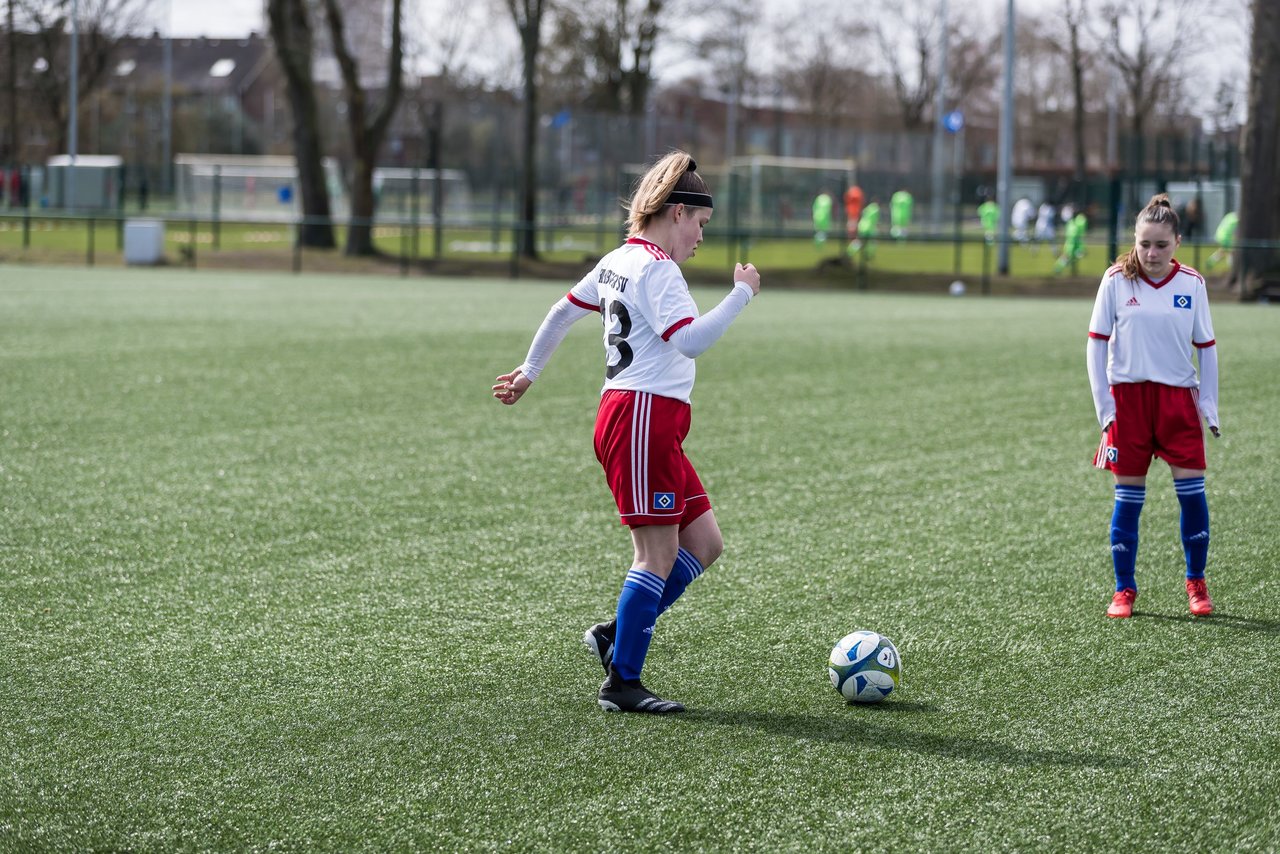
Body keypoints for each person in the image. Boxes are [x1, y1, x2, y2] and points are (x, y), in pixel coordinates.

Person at [492, 150, 762, 714]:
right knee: (656, 555)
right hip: (641, 419)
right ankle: (622, 683)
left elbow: (562, 311)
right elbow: (688, 340)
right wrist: (741, 295)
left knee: (704, 544)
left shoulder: (620, 259)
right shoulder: (659, 270)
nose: (701, 238)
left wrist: (530, 371)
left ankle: (617, 633)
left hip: (649, 423)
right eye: (701, 225)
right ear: (677, 213)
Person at [1086, 193, 1219, 620]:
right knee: (1128, 500)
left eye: (1162, 244)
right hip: (1129, 403)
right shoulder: (1115, 280)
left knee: (1193, 497)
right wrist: (1106, 408)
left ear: (1177, 242)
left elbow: (1207, 349)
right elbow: (1095, 347)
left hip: (1178, 403)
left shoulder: (1192, 284)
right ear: (1135, 241)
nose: (1152, 253)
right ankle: (1124, 589)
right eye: (1145, 244)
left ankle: (1195, 582)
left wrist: (1209, 405)